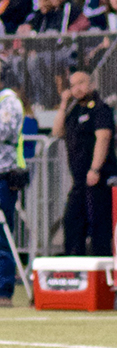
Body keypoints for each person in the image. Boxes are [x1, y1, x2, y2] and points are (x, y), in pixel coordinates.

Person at [51, 71, 116, 256]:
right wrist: (63, 103)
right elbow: (57, 131)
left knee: (99, 225)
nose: (77, 88)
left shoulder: (100, 109)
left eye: (81, 83)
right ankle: (73, 263)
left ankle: (101, 268)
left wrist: (95, 169)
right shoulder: (73, 110)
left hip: (99, 178)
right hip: (79, 180)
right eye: (72, 85)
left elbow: (103, 138)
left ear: (92, 84)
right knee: (72, 221)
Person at [0, 62, 26, 308]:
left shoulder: (9, 102)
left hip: (4, 174)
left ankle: (4, 290)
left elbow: (4, 132)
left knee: (2, 233)